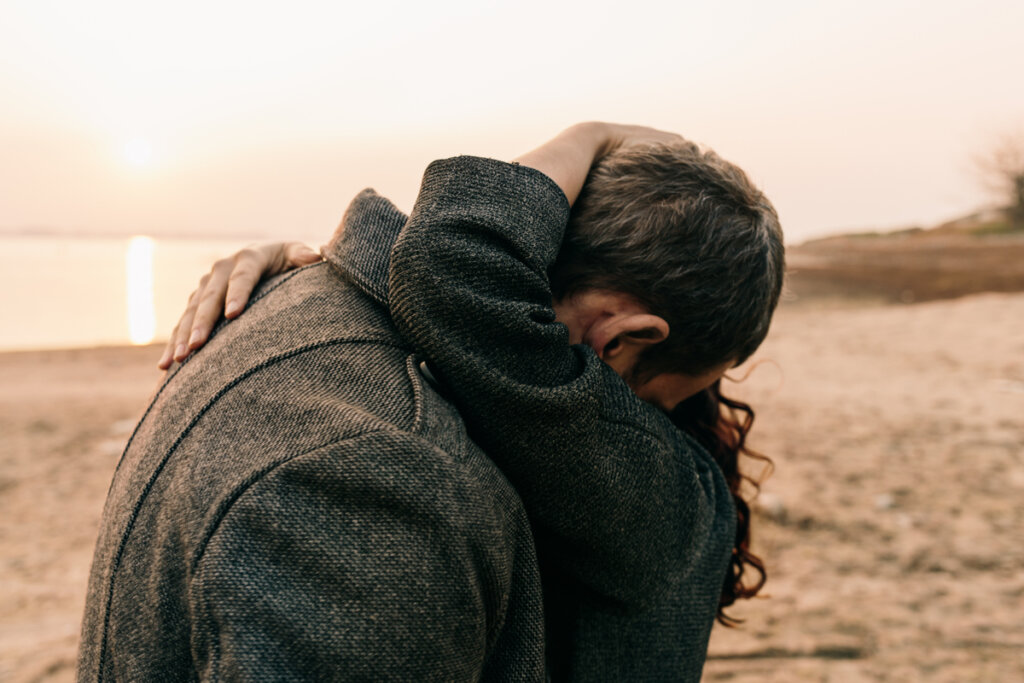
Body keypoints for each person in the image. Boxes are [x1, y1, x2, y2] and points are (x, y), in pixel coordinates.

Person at [146, 122, 783, 679]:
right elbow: (454, 265)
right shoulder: (388, 465)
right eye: (656, 405)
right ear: (621, 338)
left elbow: (450, 261)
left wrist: (589, 136)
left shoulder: (278, 310)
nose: (647, 427)